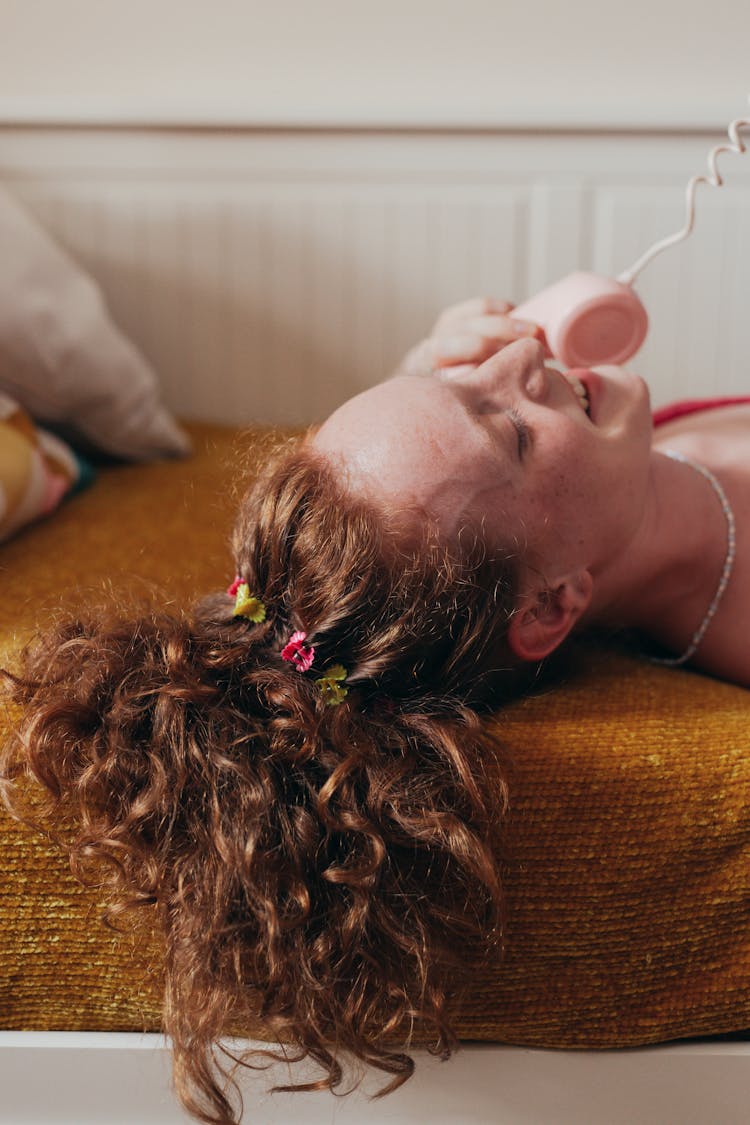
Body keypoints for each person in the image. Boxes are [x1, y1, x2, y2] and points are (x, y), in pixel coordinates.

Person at [2, 295, 748, 1125]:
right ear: (546, 610)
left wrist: (442, 357)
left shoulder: (586, 489)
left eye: (456, 383)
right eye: (513, 432)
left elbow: (421, 487)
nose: (523, 361)